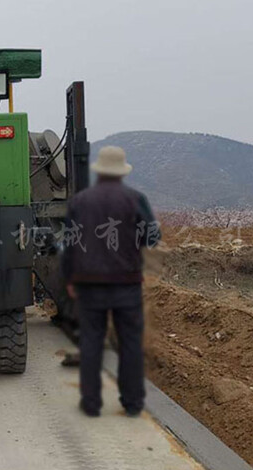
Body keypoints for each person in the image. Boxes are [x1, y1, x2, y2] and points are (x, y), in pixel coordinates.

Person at [62, 146, 160, 417]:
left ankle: (91, 403)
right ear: (121, 172)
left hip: (88, 284)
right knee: (130, 343)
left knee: (91, 341)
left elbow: (68, 245)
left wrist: (69, 278)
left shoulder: (80, 202)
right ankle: (132, 403)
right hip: (126, 283)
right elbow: (152, 237)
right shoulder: (135, 199)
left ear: (100, 171)